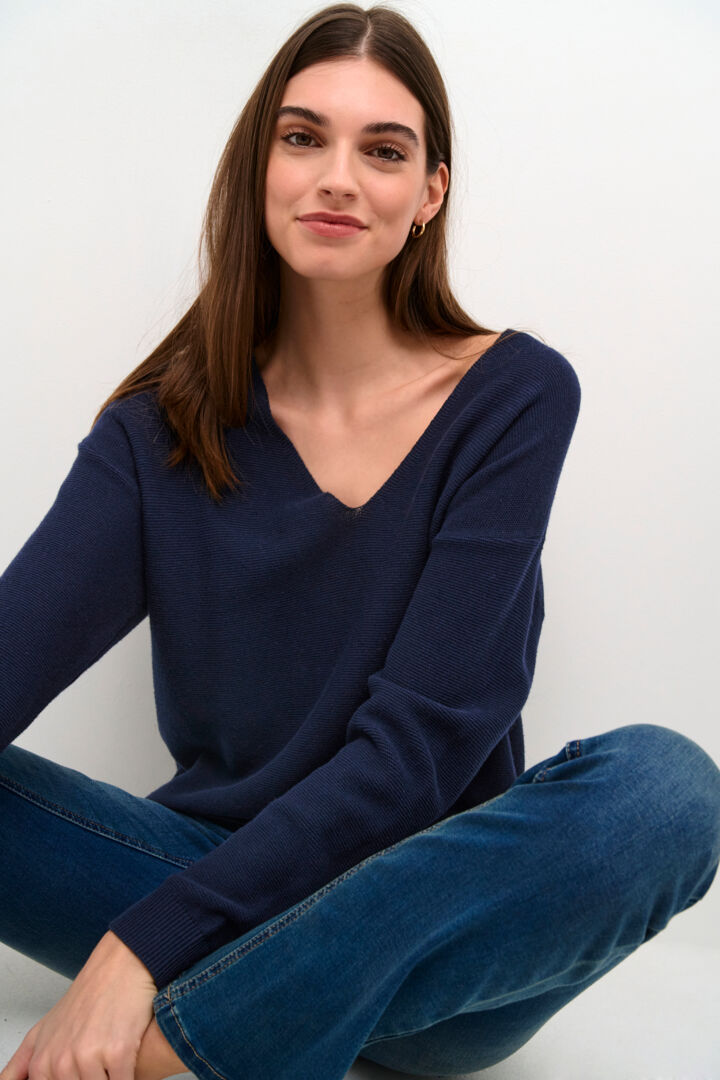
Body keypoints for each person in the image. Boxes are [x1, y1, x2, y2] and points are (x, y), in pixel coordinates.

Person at [1, 4, 719, 1079]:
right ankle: (243, 1024)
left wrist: (137, 951)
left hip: (426, 927)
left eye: (383, 151)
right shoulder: (159, 431)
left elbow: (413, 758)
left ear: (430, 193)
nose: (338, 178)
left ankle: (175, 1044)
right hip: (201, 881)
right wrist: (159, 924)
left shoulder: (511, 398)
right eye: (304, 138)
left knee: (666, 790)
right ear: (260, 169)